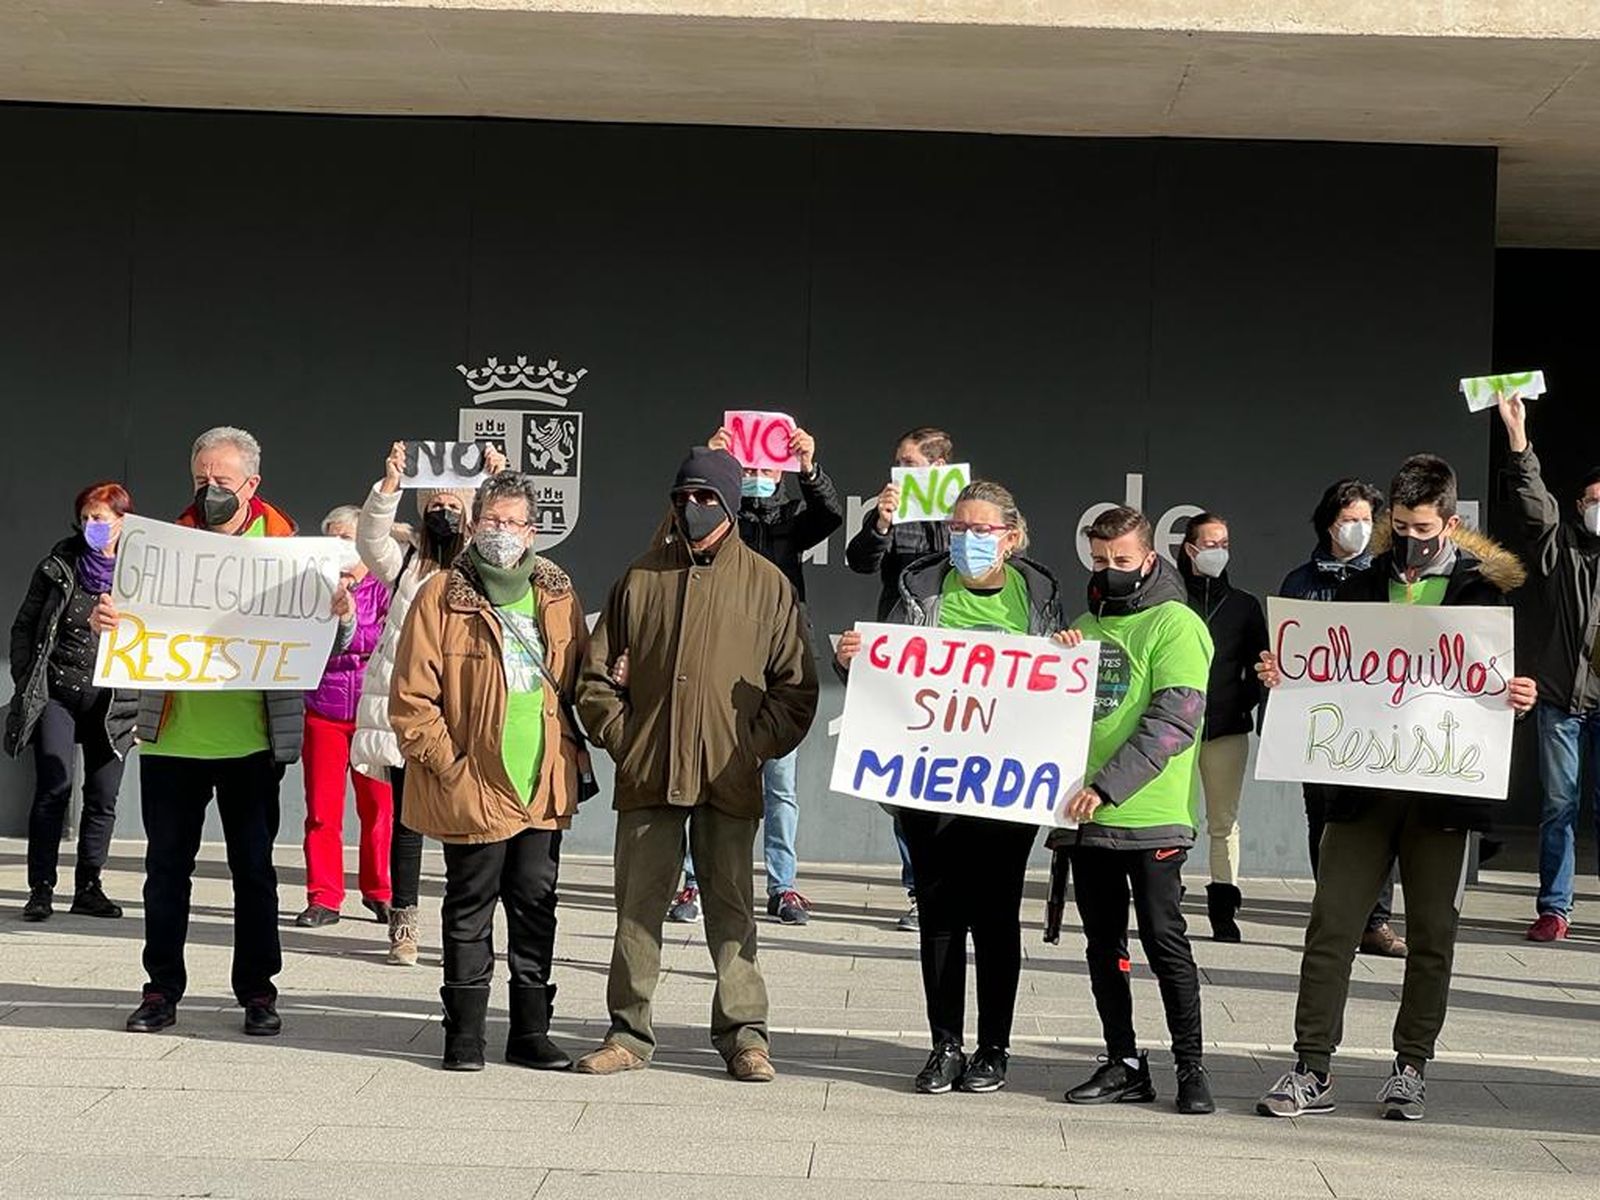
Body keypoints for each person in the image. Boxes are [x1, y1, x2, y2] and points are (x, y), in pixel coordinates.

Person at [1255, 454, 1537, 1122]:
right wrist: (1284, 673)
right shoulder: (1359, 588)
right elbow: (1326, 670)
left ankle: (1411, 1066)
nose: (1412, 539)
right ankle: (1312, 1068)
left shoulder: (1480, 594)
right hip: (1361, 789)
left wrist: (1518, 695)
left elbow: (1496, 685)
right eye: (1401, 525)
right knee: (1332, 926)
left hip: (1442, 795)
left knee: (1434, 932)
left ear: (1451, 521)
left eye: (1424, 526)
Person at [93, 426, 353, 1038]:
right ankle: (160, 988)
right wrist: (111, 622)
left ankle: (258, 992)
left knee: (255, 873)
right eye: (201, 481)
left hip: (254, 744)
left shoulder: (291, 551)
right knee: (164, 873)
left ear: (253, 485)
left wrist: (338, 619)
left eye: (223, 482)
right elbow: (131, 628)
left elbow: (329, 648)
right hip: (173, 741)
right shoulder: (162, 548)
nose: (211, 491)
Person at [574, 447, 818, 1082]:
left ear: (731, 504)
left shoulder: (768, 585)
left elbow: (797, 690)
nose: (692, 507)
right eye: (682, 496)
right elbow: (594, 680)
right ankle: (628, 1032)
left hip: (728, 778)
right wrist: (627, 738)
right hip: (649, 775)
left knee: (732, 910)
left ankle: (745, 1036)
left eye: (706, 497)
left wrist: (752, 747)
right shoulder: (639, 577)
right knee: (637, 908)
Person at [835, 481, 1060, 1095]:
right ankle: (945, 1045)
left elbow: (1060, 687)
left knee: (995, 915)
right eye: (959, 529)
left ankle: (994, 1049)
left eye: (982, 531)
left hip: (1006, 786)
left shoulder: (1039, 595)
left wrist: (1069, 655)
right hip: (930, 782)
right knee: (938, 913)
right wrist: (851, 659)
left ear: (1011, 538)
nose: (967, 540)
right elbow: (883, 670)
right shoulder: (920, 587)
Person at [390, 471, 590, 1072]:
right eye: (493, 521)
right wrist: (450, 765)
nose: (502, 533)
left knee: (536, 902)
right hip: (473, 781)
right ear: (475, 525)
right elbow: (411, 700)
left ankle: (530, 1033)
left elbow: (581, 678)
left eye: (514, 523)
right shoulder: (441, 594)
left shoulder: (558, 596)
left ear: (534, 531)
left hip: (541, 782)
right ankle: (465, 1036)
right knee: (470, 903)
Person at [1052, 505, 1216, 1116]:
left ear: (1149, 557)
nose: (1112, 570)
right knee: (1103, 944)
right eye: (1100, 561)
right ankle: (1123, 1062)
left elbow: (1175, 718)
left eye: (1122, 560)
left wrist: (1108, 785)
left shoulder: (1177, 623)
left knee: (1163, 940)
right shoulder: (1083, 626)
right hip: (1085, 819)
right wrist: (1056, 660)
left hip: (1150, 816)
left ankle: (1191, 1066)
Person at [667, 421, 842, 927]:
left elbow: (829, 513)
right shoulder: (721, 515)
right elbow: (681, 517)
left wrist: (810, 468)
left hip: (777, 665)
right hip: (719, 660)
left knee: (780, 783)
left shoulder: (791, 518)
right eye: (748, 468)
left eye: (768, 467)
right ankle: (693, 885)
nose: (758, 475)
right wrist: (710, 461)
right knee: (704, 776)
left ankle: (782, 886)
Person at [350, 440, 490, 965]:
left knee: (460, 823)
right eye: (435, 505)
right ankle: (403, 925)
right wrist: (389, 485)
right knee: (407, 826)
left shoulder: (480, 566)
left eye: (454, 505)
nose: (444, 512)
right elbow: (369, 539)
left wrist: (492, 482)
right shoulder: (406, 560)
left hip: (464, 711)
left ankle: (462, 927)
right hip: (411, 708)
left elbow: (511, 542)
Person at [1280, 478, 1407, 959]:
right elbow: (1286, 647)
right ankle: (1334, 911)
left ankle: (1374, 920)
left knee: (1377, 822)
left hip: (1376, 722)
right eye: (1348, 519)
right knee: (1324, 820)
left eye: (1365, 520)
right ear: (1328, 523)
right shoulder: (1300, 582)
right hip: (1318, 723)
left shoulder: (1386, 577)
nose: (1357, 529)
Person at [6, 482, 139, 922]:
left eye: (100, 518)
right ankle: (40, 889)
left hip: (113, 701)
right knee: (53, 790)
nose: (91, 526)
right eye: (85, 518)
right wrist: (27, 679)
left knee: (102, 797)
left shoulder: (142, 572)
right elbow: (24, 626)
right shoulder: (58, 566)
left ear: (123, 521)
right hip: (58, 694)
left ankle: (89, 887)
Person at [1496, 391, 1600, 942]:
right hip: (1560, 701)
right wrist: (1519, 439)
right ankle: (1555, 908)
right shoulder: (1564, 551)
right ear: (1580, 508)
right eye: (1591, 500)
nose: (1596, 507)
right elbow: (1534, 504)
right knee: (1559, 803)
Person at [845, 426, 957, 932]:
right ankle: (919, 888)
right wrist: (882, 524)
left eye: (909, 464)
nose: (900, 473)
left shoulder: (967, 514)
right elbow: (859, 562)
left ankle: (952, 886)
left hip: (956, 666)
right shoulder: (890, 514)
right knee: (904, 786)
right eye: (898, 463)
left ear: (937, 468)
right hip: (903, 664)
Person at [296, 506, 395, 928]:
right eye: (333, 537)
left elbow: (389, 636)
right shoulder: (310, 586)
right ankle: (324, 896)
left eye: (348, 538)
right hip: (324, 709)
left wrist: (353, 622)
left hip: (372, 711)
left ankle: (381, 891)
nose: (341, 546)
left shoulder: (386, 585)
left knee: (379, 808)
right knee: (322, 811)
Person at [1176, 512, 1267, 941]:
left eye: (1223, 543)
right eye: (1209, 544)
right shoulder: (1170, 601)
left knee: (1223, 821)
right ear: (1189, 548)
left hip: (1227, 730)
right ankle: (1167, 899)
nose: (1218, 551)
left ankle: (1223, 911)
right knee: (1176, 816)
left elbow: (1261, 666)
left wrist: (1243, 702)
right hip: (1174, 728)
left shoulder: (1244, 605)